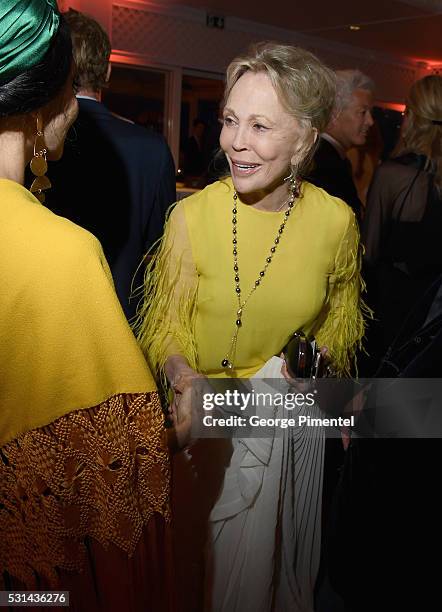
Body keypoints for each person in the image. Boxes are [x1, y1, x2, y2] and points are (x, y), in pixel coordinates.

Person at [137, 43, 367, 611]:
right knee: (198, 584)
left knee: (265, 583)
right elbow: (165, 325)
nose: (236, 142)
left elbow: (337, 328)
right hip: (204, 435)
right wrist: (182, 373)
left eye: (261, 126)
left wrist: (316, 377)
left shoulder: (336, 223)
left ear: (306, 139)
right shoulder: (191, 216)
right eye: (230, 120)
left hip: (285, 433)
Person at [0, 2, 189, 609]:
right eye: (66, 87)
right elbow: (116, 484)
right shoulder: (61, 253)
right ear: (39, 102)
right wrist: (184, 427)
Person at [47, 9, 176, 321]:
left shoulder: (33, 141)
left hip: (47, 313)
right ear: (106, 73)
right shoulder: (153, 148)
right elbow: (161, 251)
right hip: (121, 317)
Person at [362, 74, 442, 374]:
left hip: (392, 311)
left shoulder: (393, 175)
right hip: (434, 314)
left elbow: (369, 253)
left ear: (414, 117)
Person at [308, 69, 375, 223]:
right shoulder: (323, 163)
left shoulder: (331, 157)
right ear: (334, 115)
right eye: (362, 112)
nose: (370, 121)